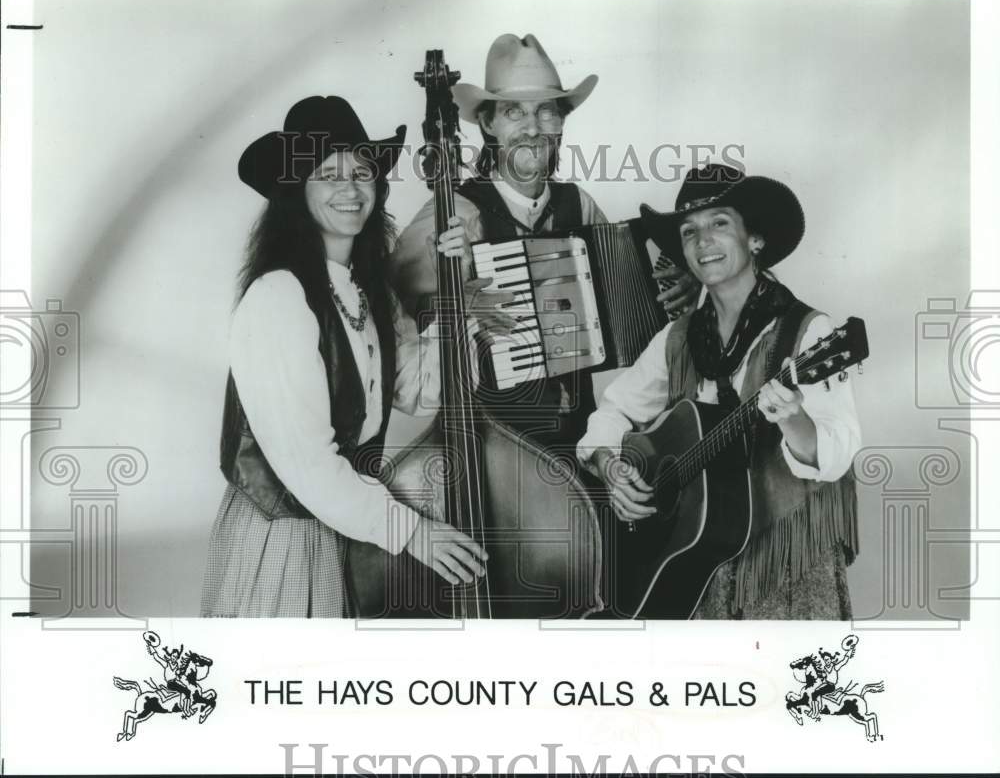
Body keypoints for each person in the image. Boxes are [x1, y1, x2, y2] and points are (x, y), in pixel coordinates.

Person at [200, 96, 488, 618]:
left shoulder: (367, 289)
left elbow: (420, 394)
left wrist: (454, 289)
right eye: (328, 174)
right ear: (295, 191)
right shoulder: (278, 297)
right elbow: (307, 465)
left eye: (362, 172)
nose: (352, 189)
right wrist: (412, 532)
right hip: (283, 538)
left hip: (349, 530)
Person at [576, 163, 862, 619]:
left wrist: (793, 417)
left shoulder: (808, 332)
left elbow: (837, 451)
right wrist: (611, 466)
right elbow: (612, 414)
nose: (702, 241)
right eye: (689, 231)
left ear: (755, 239)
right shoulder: (677, 337)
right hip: (697, 562)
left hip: (785, 566)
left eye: (719, 224)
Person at [390, 33, 699, 450]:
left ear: (561, 122)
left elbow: (625, 294)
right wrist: (454, 299)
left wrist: (682, 279)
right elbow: (390, 315)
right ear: (488, 123)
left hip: (577, 431)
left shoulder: (579, 204)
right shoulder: (455, 213)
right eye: (514, 112)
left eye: (547, 112)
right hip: (491, 442)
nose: (533, 129)